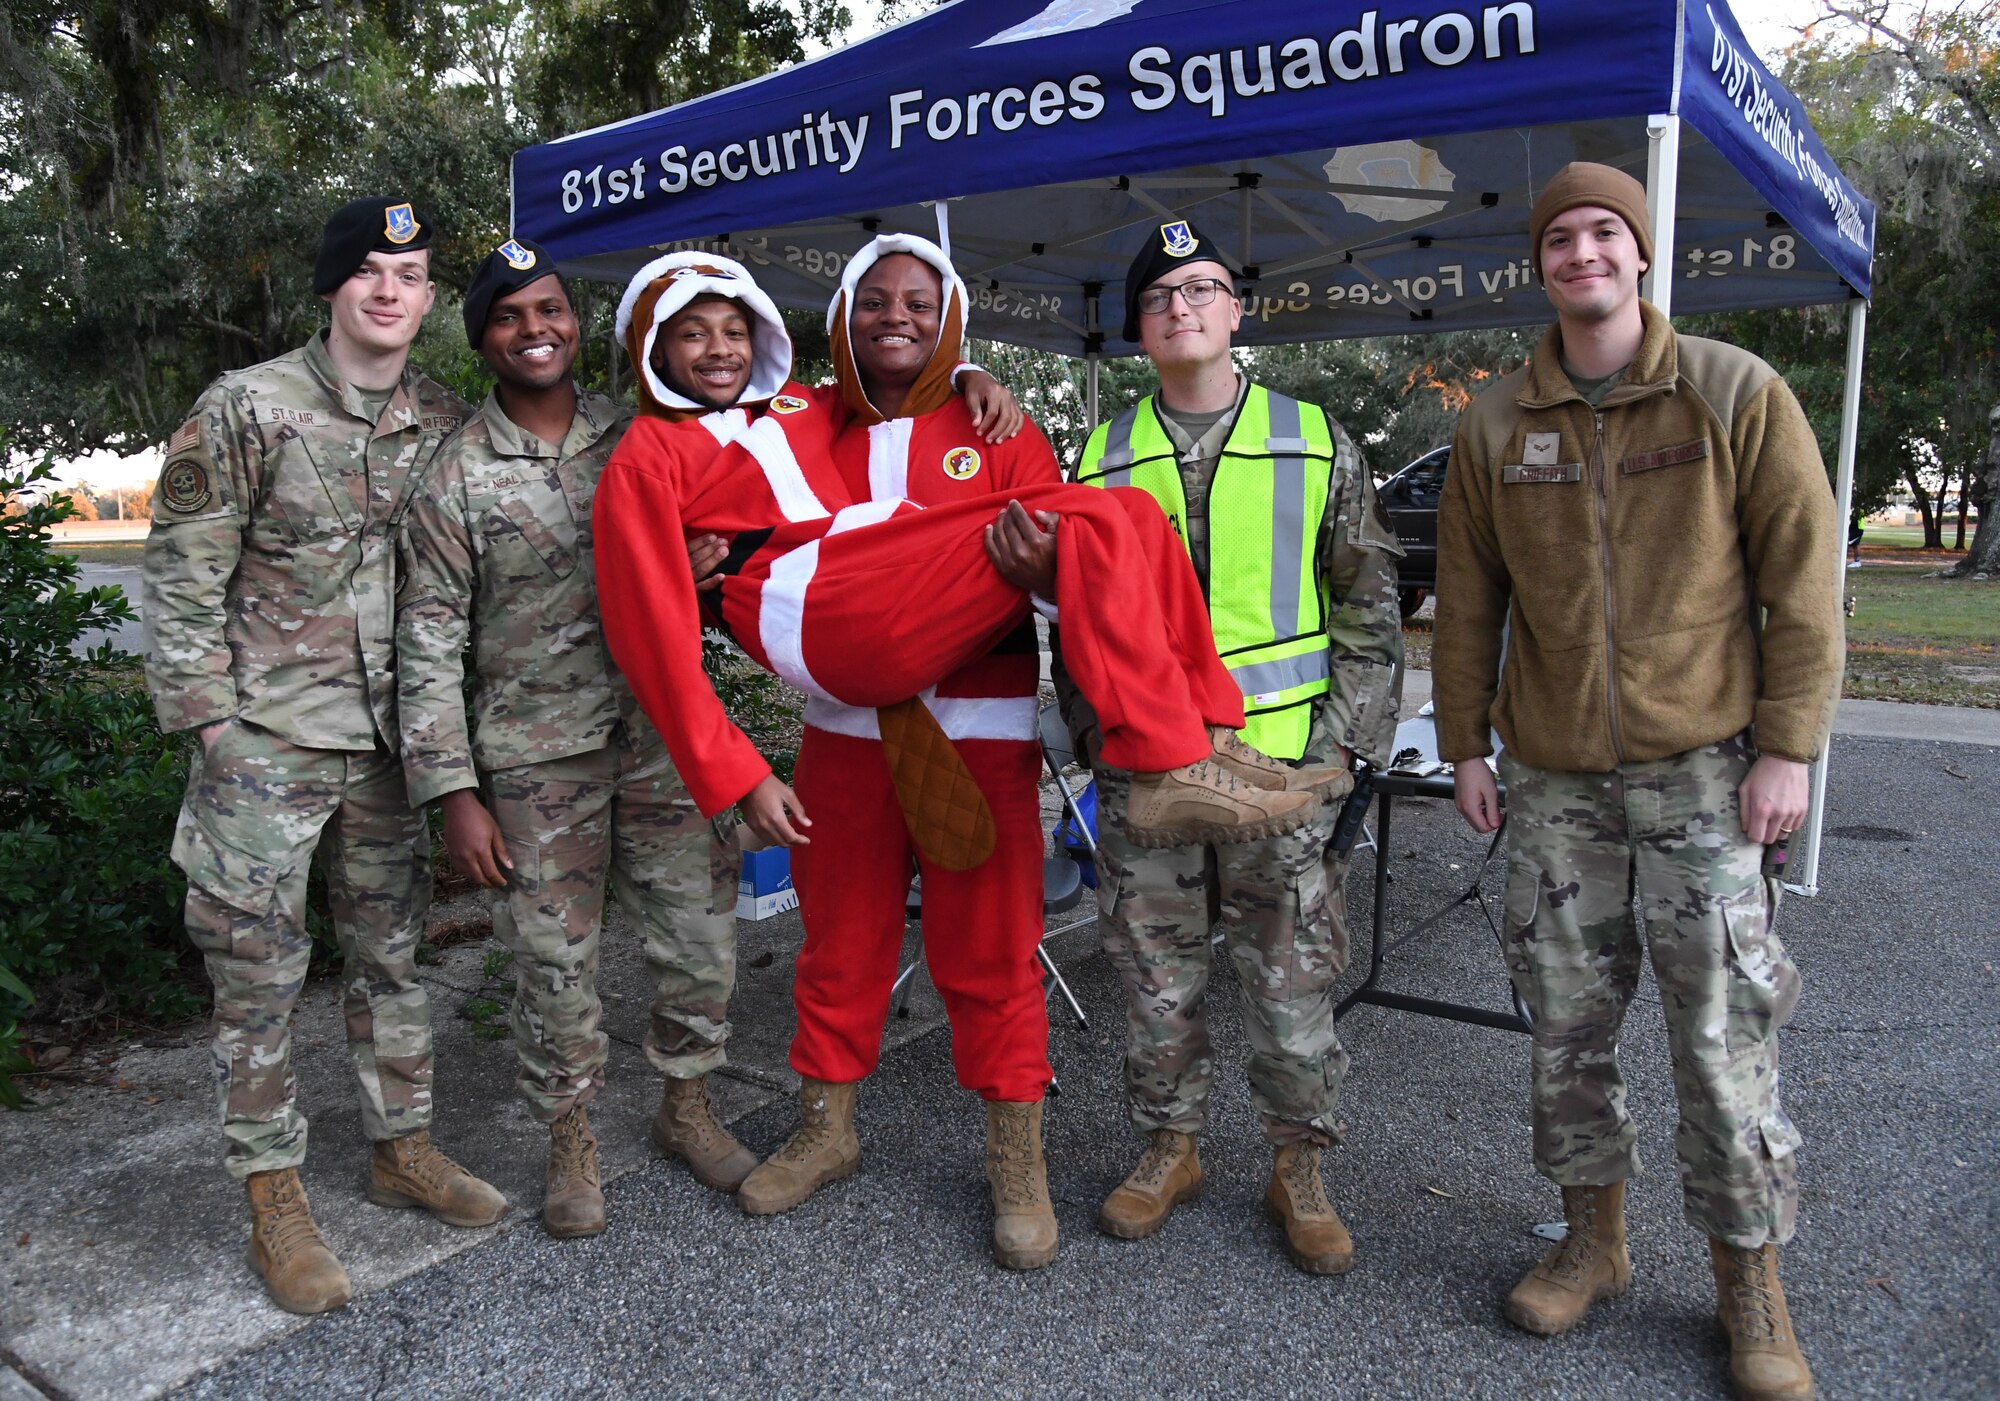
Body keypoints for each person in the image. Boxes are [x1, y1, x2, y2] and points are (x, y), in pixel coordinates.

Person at [1433, 162, 1841, 1401]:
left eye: (1604, 232)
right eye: (1559, 238)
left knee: (1722, 1040)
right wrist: (1463, 744)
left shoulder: (1727, 391)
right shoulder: (1497, 422)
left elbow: (1803, 580)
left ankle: (1746, 1285)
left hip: (1702, 775)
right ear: (1541, 264)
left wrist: (1786, 748)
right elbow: (1467, 603)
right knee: (1566, 1034)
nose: (1582, 254)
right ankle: (1591, 1242)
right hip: (1554, 783)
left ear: (1640, 253)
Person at [591, 252, 1329, 853]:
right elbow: (644, 633)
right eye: (691, 333)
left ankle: (1206, 742)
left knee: (1128, 513)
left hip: (868, 589)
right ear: (652, 346)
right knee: (1098, 513)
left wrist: (967, 374)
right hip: (826, 619)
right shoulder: (647, 454)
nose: (718, 349)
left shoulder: (793, 409)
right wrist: (739, 776)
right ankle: (1167, 757)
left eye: (733, 330)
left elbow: (886, 386)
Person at [141, 196, 506, 1316]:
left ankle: (402, 1149)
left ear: (430, 296)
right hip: (268, 748)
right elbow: (182, 578)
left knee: (393, 960)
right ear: (332, 287)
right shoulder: (248, 406)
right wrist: (214, 729)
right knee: (258, 981)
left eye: (409, 273)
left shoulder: (444, 419)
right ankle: (274, 1197)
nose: (388, 290)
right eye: (368, 271)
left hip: (391, 752)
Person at [1052, 218, 1404, 1274]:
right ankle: (1171, 1149)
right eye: (1160, 297)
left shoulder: (1314, 437)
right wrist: (1089, 732)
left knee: (1290, 991)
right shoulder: (1103, 452)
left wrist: (1341, 752)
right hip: (1143, 779)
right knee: (1155, 980)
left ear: (1235, 309)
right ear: (1139, 328)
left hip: (1280, 776)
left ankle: (1298, 1169)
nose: (1181, 307)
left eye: (1201, 288)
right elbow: (1071, 617)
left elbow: (1370, 606)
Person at [392, 239, 755, 1238]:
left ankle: (686, 1107)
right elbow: (424, 643)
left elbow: (771, 476)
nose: (534, 328)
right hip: (534, 757)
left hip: (659, 732)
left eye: (548, 308)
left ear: (575, 322)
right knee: (552, 964)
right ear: (482, 341)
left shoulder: (643, 437)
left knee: (699, 937)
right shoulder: (454, 477)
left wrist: (699, 568)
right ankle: (571, 1137)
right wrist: (449, 791)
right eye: (508, 316)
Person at [727, 234, 1067, 1268]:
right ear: (840, 313)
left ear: (949, 314)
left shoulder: (998, 425)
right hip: (843, 738)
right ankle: (826, 1128)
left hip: (980, 736)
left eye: (920, 302)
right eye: (873, 300)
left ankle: (1015, 1157)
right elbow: (736, 519)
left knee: (991, 945)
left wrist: (1044, 566)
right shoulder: (797, 427)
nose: (896, 317)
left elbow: (1063, 573)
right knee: (839, 938)